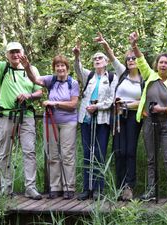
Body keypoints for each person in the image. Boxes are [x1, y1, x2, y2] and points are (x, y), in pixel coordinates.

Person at [0, 38, 42, 199]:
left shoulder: (32, 69)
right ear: (7, 55)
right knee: (4, 153)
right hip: (5, 116)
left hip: (27, 116)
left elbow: (39, 91)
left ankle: (30, 188)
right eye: (12, 52)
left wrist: (29, 95)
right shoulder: (2, 68)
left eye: (18, 51)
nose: (15, 54)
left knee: (29, 151)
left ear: (23, 53)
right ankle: (6, 187)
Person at [129, 31, 167, 203]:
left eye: (166, 63)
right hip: (149, 123)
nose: (163, 65)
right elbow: (141, 60)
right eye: (161, 62)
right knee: (151, 159)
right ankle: (151, 191)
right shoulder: (150, 76)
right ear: (157, 64)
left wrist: (163, 109)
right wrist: (134, 45)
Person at [20, 55, 79, 200]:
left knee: (67, 154)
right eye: (57, 66)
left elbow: (73, 105)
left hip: (68, 122)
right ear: (54, 68)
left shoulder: (73, 83)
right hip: (50, 121)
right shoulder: (50, 80)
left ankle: (69, 187)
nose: (60, 68)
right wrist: (27, 66)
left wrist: (55, 104)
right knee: (52, 154)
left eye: (62, 65)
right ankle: (55, 187)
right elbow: (35, 80)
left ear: (67, 67)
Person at [94, 32, 144, 201]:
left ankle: (129, 187)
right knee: (118, 151)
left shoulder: (143, 78)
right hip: (117, 117)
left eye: (133, 58)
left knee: (130, 151)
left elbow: (144, 101)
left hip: (132, 117)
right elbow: (111, 56)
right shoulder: (122, 73)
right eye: (128, 58)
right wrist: (104, 43)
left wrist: (128, 105)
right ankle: (119, 186)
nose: (130, 61)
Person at [73, 41, 118, 200]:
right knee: (87, 153)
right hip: (86, 119)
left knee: (99, 153)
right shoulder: (89, 76)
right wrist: (77, 56)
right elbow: (77, 69)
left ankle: (99, 189)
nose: (97, 60)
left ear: (106, 62)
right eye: (95, 59)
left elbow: (111, 99)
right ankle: (87, 189)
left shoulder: (112, 77)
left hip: (102, 119)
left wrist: (97, 106)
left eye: (100, 58)